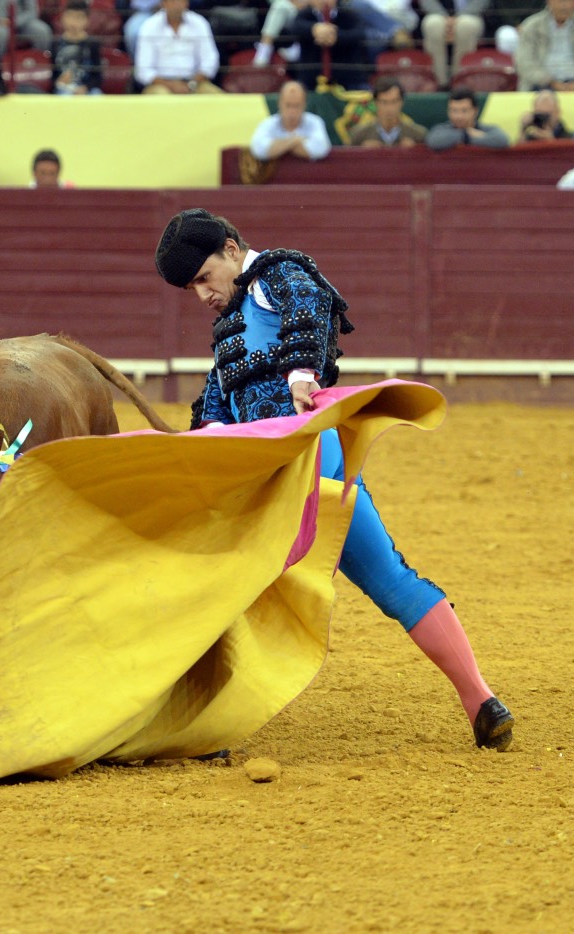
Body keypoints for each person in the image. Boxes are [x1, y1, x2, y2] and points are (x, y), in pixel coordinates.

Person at [152, 207, 516, 752]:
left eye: (204, 277)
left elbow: (310, 304)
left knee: (230, 579)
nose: (203, 293)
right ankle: (482, 702)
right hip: (304, 463)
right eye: (191, 288)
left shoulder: (276, 273)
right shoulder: (229, 326)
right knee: (389, 578)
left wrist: (303, 372)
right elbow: (215, 405)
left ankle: (208, 721)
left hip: (303, 459)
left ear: (232, 249)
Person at [134, 0, 223, 94]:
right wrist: (171, 85)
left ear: (187, 3)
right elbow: (143, 69)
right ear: (163, 3)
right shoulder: (149, 26)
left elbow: (210, 60)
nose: (176, 5)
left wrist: (192, 83)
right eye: (172, 1)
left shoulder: (199, 23)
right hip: (160, 84)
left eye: (180, 1)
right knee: (160, 98)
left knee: (218, 98)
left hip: (195, 82)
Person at [285, 0, 370, 90]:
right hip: (311, 80)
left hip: (349, 79)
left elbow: (360, 34)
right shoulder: (304, 15)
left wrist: (336, 36)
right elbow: (294, 28)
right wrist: (313, 29)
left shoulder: (348, 13)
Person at [249, 79, 331, 161]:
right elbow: (258, 149)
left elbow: (321, 148)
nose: (292, 112)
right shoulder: (268, 123)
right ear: (279, 103)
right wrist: (295, 140)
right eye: (288, 105)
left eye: (296, 106)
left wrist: (279, 146)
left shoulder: (315, 122)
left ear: (304, 105)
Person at [419, 0, 488, 89]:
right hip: (438, 14)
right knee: (432, 25)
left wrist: (457, 19)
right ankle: (440, 83)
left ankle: (460, 81)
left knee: (465, 25)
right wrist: (445, 17)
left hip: (471, 14)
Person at [514, 0, 574, 92]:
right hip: (542, 84)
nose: (565, 6)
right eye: (560, 1)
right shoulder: (532, 26)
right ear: (549, 2)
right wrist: (552, 82)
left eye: (568, 1)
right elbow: (524, 63)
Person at [348, 75, 427, 146]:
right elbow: (348, 160)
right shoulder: (358, 135)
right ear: (376, 103)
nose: (389, 108)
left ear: (401, 102)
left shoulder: (418, 135)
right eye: (384, 102)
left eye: (394, 101)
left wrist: (415, 150)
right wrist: (362, 153)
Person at [425, 87, 510, 150]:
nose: (458, 116)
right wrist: (467, 135)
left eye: (464, 111)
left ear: (475, 111)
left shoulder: (487, 129)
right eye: (454, 111)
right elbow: (434, 141)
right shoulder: (441, 129)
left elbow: (502, 140)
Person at [0, 0, 52, 72]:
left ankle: (38, 68)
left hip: (22, 20)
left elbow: (32, 11)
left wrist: (14, 22)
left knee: (42, 31)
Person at [50, 0, 103, 95]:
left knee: (97, 97)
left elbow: (97, 76)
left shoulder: (93, 44)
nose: (74, 22)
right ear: (63, 18)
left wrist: (86, 87)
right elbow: (51, 75)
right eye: (70, 16)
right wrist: (59, 81)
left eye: (79, 17)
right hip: (65, 88)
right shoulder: (55, 44)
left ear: (87, 20)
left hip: (87, 89)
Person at [253, 0, 306, 68]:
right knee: (280, 5)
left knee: (280, 5)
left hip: (310, 12)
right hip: (294, 8)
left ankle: (265, 48)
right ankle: (266, 46)